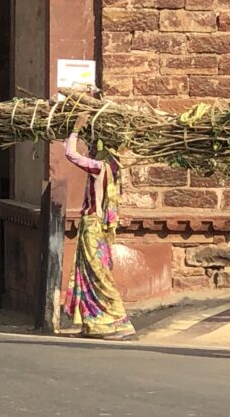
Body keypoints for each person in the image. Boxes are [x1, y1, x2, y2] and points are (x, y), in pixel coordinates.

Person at [63, 113, 136, 340]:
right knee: (86, 273)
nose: (92, 150)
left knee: (98, 275)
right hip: (99, 228)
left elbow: (70, 154)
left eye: (95, 145)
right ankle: (93, 324)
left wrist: (75, 129)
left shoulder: (100, 167)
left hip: (93, 225)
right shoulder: (116, 167)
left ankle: (119, 321)